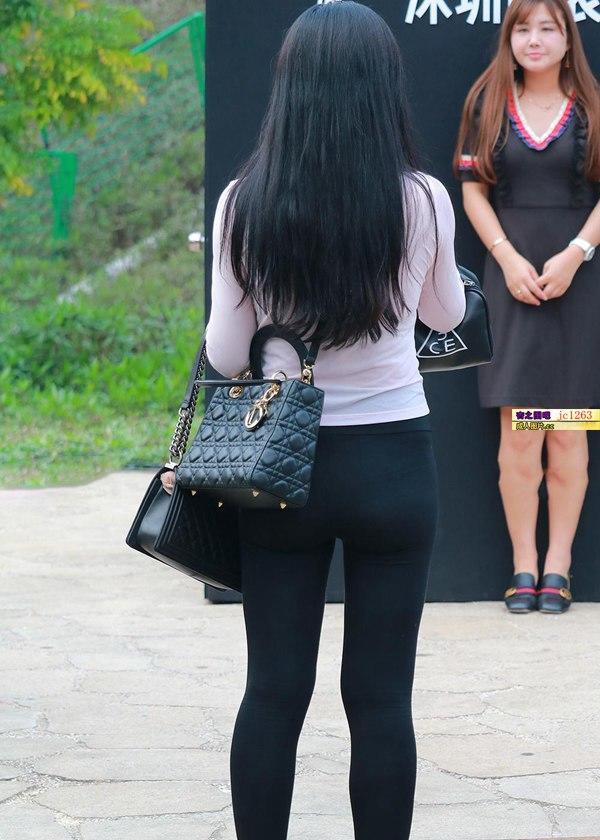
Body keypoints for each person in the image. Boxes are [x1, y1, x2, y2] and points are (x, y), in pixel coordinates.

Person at [163, 2, 465, 837]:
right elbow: (445, 314)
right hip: (394, 464)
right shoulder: (423, 199)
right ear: (382, 88)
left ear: (289, 86)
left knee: (273, 690)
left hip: (279, 469)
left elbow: (227, 352)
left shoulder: (243, 204)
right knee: (381, 697)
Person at [454, 0, 600, 615]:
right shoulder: (487, 104)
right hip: (512, 287)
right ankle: (523, 566)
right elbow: (472, 191)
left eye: (547, 28)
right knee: (519, 434)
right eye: (522, 28)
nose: (534, 39)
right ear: (508, 38)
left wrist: (576, 255)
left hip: (577, 290)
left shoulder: (592, 108)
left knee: (566, 432)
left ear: (568, 40)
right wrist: (507, 259)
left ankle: (558, 568)